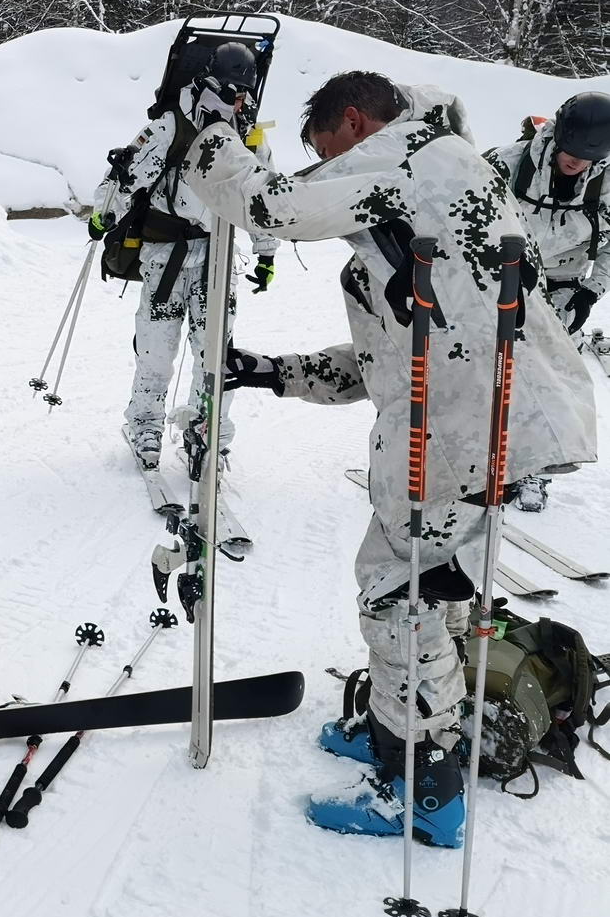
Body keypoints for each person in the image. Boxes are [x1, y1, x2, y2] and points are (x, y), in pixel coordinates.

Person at [179, 68, 595, 847]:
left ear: (352, 120)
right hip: (474, 423)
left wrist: (211, 136)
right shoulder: (410, 218)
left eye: (326, 148)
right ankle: (394, 731)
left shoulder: (415, 153)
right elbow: (382, 365)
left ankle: (423, 786)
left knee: (392, 597)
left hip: (473, 426)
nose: (328, 167)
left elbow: (268, 205)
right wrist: (272, 373)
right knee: (426, 593)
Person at [93, 54, 278, 468]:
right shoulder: (172, 124)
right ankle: (144, 425)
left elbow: (264, 195)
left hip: (218, 254)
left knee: (215, 350)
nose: (239, 102)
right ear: (210, 83)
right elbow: (128, 173)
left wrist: (266, 253)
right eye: (233, 92)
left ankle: (207, 429)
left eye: (245, 93)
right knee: (156, 349)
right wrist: (103, 212)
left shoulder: (248, 135)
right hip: (166, 254)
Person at [483, 93, 610, 511]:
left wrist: (592, 292)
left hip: (563, 284)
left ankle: (533, 471)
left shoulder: (606, 181)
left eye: (588, 157)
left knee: (551, 382)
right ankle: (481, 465)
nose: (576, 162)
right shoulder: (506, 163)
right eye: (571, 152)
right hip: (503, 278)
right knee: (490, 374)